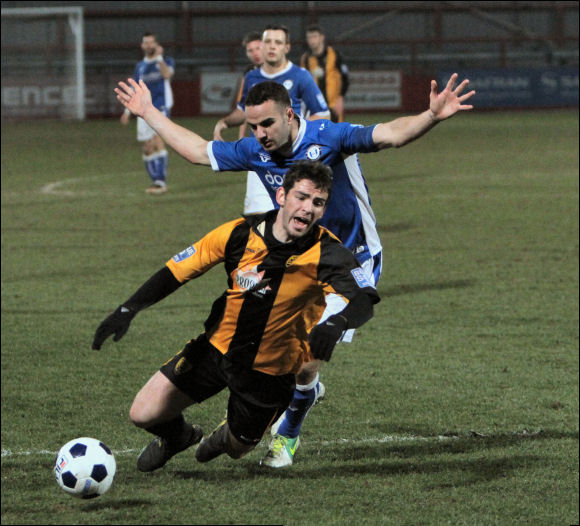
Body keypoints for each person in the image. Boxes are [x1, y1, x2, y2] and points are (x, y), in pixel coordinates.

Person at [114, 72, 475, 467]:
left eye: (267, 123)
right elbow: (200, 150)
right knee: (277, 353)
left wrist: (431, 115)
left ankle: (288, 433)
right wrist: (148, 111)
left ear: (289, 114)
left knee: (306, 361)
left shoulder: (329, 137)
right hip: (291, 261)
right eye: (253, 125)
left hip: (348, 261)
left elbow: (389, 134)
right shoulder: (255, 150)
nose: (260, 133)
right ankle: (259, 408)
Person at [92, 160, 380, 472]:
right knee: (142, 413)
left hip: (268, 376)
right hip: (214, 352)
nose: (308, 208)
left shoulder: (328, 253)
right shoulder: (238, 235)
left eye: (318, 202)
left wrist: (337, 322)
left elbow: (364, 298)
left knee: (235, 449)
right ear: (281, 196)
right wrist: (128, 308)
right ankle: (178, 437)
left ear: (323, 210)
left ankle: (224, 435)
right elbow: (177, 271)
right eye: (301, 197)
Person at [213, 24, 331, 215]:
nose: (272, 46)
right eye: (268, 41)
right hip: (261, 157)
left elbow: (323, 113)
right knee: (257, 219)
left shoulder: (300, 76)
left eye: (278, 42)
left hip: (294, 160)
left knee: (296, 219)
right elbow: (243, 111)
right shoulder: (252, 77)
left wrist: (298, 135)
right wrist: (224, 123)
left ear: (287, 47)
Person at [120, 32, 175, 195]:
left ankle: (160, 182)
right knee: (147, 148)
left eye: (152, 42)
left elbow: (167, 75)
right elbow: (133, 88)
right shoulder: (140, 66)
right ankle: (155, 181)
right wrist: (126, 111)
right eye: (146, 43)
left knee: (158, 141)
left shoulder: (165, 61)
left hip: (161, 107)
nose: (149, 45)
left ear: (156, 45)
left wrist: (159, 58)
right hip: (142, 109)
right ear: (142, 46)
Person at [300, 24, 349, 123]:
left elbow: (345, 78)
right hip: (315, 107)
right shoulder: (305, 59)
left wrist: (340, 98)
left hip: (333, 104)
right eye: (309, 37)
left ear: (322, 38)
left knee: (337, 134)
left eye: (314, 36)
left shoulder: (334, 54)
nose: (312, 40)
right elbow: (302, 83)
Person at [235, 32, 263, 139]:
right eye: (250, 50)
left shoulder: (278, 71)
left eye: (258, 48)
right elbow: (243, 107)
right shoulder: (249, 74)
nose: (255, 53)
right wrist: (241, 136)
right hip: (257, 136)